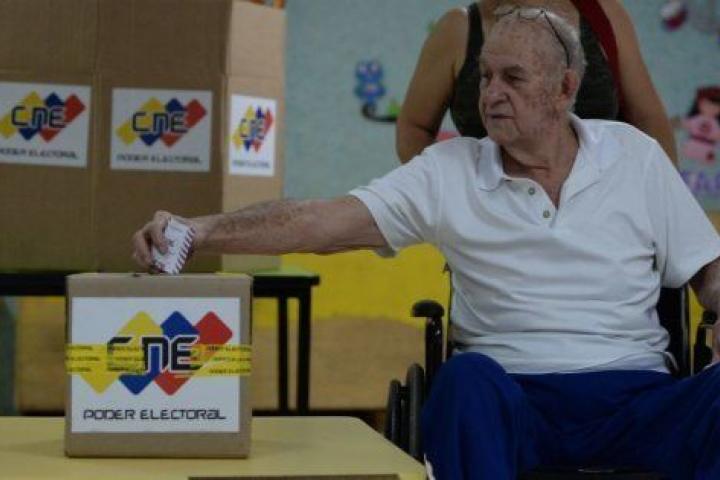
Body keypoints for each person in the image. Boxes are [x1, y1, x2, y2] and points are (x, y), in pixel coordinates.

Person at [134, 8, 720, 479]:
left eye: (513, 78)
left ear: (565, 88)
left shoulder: (635, 158)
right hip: (510, 398)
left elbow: (710, 272)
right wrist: (203, 229)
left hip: (636, 398)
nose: (491, 94)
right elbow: (324, 221)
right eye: (485, 76)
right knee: (464, 381)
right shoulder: (449, 170)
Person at [396, 0, 678, 164]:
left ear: (567, 85)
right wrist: (454, 201)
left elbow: (648, 119)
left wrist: (665, 210)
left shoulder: (604, 15)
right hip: (495, 227)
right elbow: (414, 127)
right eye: (487, 75)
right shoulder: (458, 29)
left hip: (605, 221)